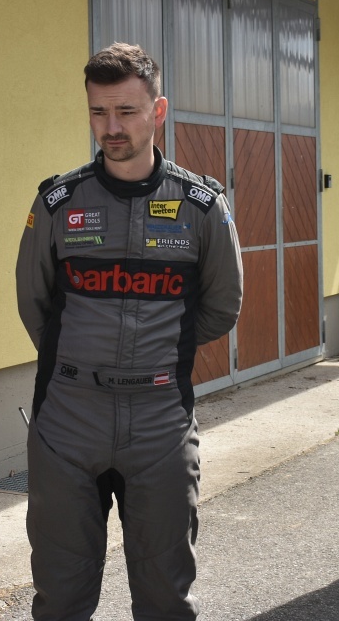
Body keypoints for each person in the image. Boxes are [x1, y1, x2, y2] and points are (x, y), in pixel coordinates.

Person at [16, 42, 243, 620]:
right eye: (98, 112)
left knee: (166, 597)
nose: (111, 127)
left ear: (157, 111)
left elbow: (221, 308)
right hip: (69, 417)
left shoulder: (201, 206)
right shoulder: (59, 203)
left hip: (160, 419)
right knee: (60, 598)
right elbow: (35, 305)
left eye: (126, 111)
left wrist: (156, 357)